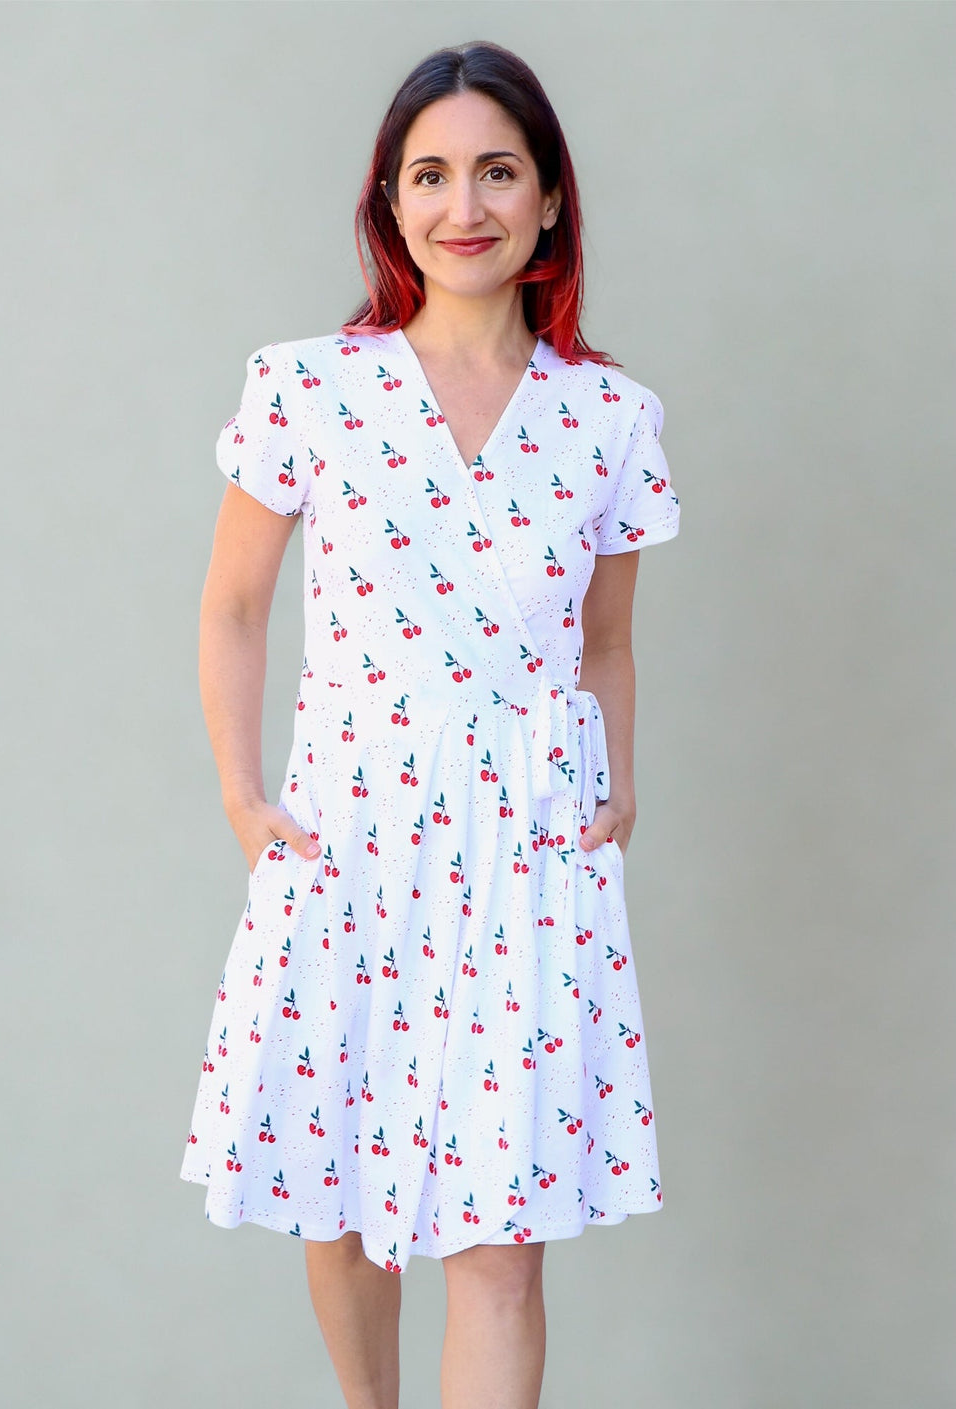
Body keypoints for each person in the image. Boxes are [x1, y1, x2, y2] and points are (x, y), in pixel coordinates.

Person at [180, 39, 681, 1409]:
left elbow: (606, 640)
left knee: (501, 1244)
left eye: (498, 172)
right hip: (351, 828)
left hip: (530, 843)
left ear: (550, 198)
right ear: (391, 203)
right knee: (340, 1195)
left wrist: (616, 792)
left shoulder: (611, 419)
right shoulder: (307, 390)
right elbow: (234, 606)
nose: (466, 205)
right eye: (432, 175)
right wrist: (243, 798)